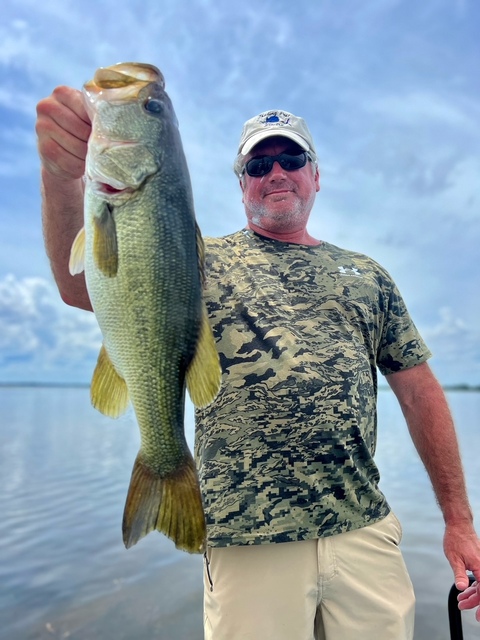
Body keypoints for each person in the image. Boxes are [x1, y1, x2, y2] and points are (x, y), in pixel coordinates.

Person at [36, 87, 480, 639]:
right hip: (247, 539)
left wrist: (459, 520)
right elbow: (83, 286)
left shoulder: (368, 275)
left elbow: (420, 393)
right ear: (241, 181)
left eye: (291, 159)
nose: (276, 172)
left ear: (315, 175)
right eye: (258, 163)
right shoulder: (199, 257)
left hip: (363, 531)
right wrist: (61, 178)